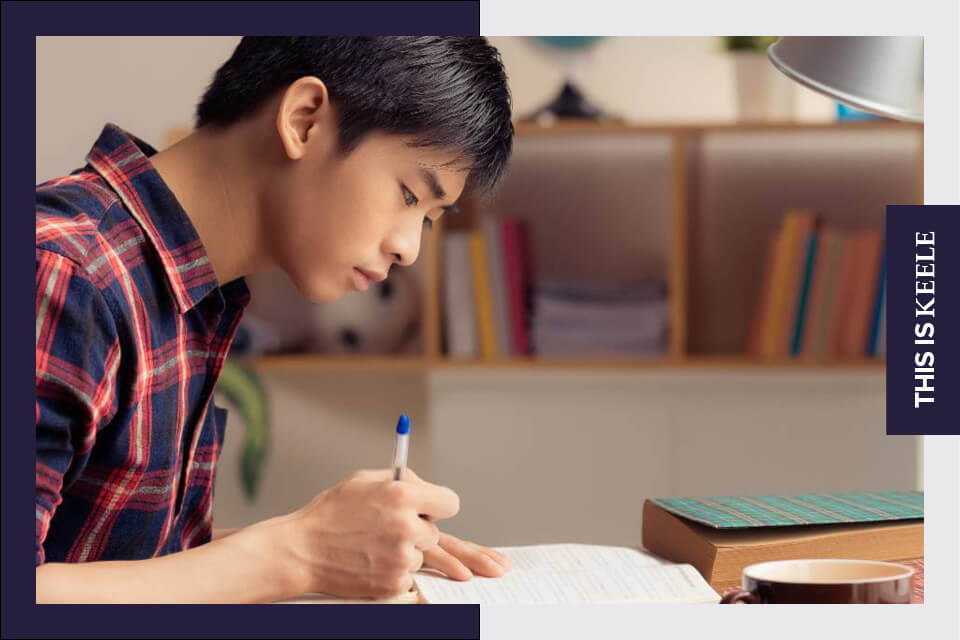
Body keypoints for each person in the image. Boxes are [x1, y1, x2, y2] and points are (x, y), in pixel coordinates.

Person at [35, 36, 514, 604]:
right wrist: (297, 555)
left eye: (430, 220)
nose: (410, 250)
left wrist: (337, 545)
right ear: (304, 119)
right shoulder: (64, 270)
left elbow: (108, 559)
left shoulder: (188, 292)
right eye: (410, 194)